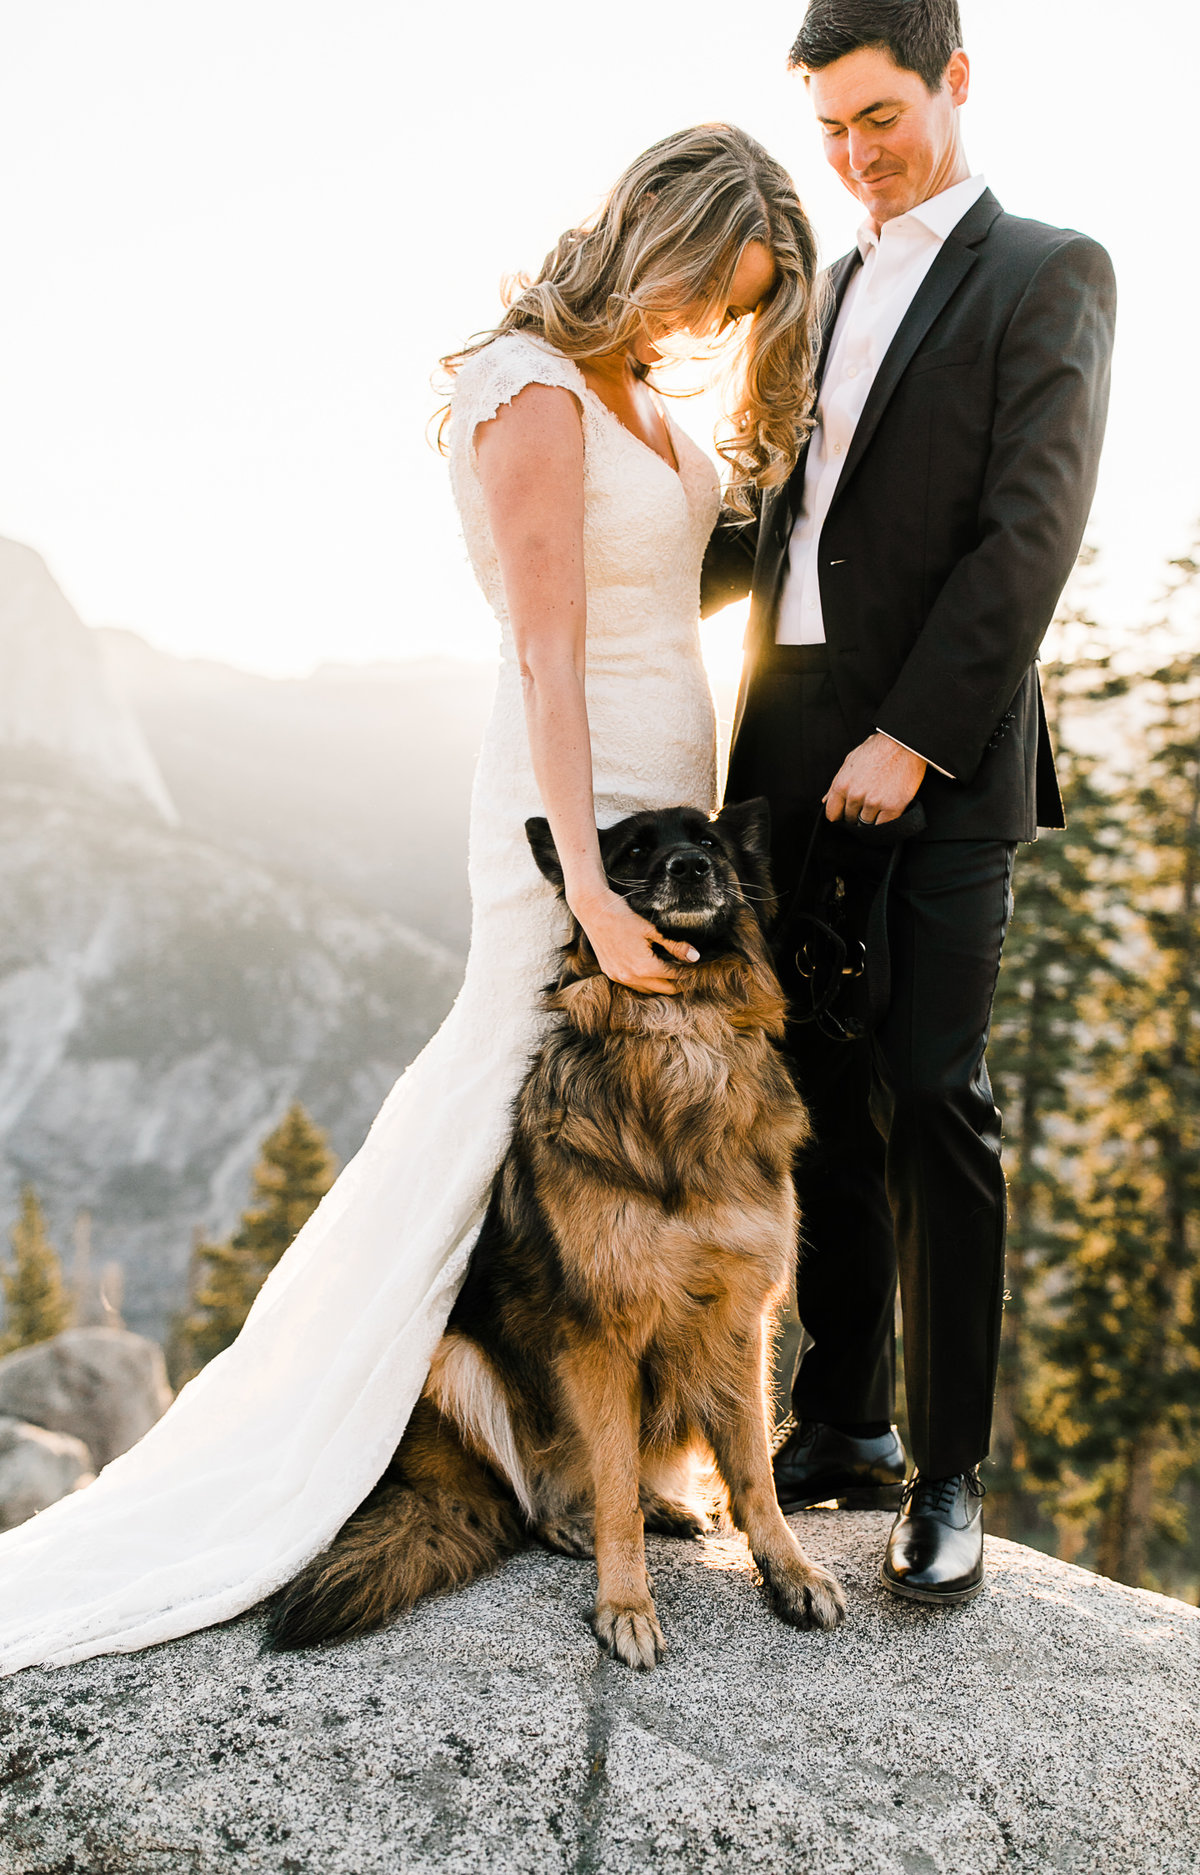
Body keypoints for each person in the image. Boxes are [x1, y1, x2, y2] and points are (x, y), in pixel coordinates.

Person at [0, 128, 818, 1676]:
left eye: (745, 306)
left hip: (663, 803)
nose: (715, 324)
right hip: (567, 813)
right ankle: (359, 1434)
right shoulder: (528, 379)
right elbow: (548, 648)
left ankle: (530, 1441)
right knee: (502, 1113)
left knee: (605, 1137)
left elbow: (667, 580)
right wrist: (577, 872)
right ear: (656, 234)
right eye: (714, 286)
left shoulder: (643, 389)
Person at [700, 0, 1116, 1605]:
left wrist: (920, 736)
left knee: (936, 1094)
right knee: (815, 1093)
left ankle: (948, 1475)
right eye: (830, 131)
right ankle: (843, 1419)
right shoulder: (822, 281)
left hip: (934, 760)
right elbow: (780, 515)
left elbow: (1034, 525)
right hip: (784, 737)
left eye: (879, 118)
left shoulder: (1047, 270)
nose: (854, 157)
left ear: (955, 80)